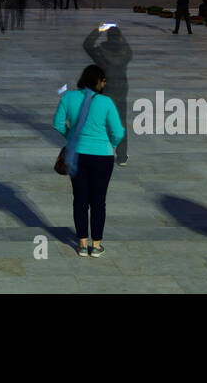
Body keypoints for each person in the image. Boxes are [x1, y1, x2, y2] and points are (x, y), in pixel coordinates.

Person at [53, 61, 126, 256]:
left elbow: (58, 123)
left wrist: (72, 137)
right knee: (98, 201)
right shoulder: (106, 102)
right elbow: (118, 132)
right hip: (102, 157)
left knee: (80, 200)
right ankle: (97, 244)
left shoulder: (68, 97)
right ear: (100, 82)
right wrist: (109, 142)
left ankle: (82, 244)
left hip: (77, 155)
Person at [83, 24, 132, 165]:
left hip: (106, 89)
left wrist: (99, 29)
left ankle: (101, 151)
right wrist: (120, 34)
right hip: (121, 90)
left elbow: (87, 44)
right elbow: (126, 45)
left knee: (101, 121)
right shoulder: (126, 52)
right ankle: (122, 157)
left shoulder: (101, 53)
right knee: (121, 122)